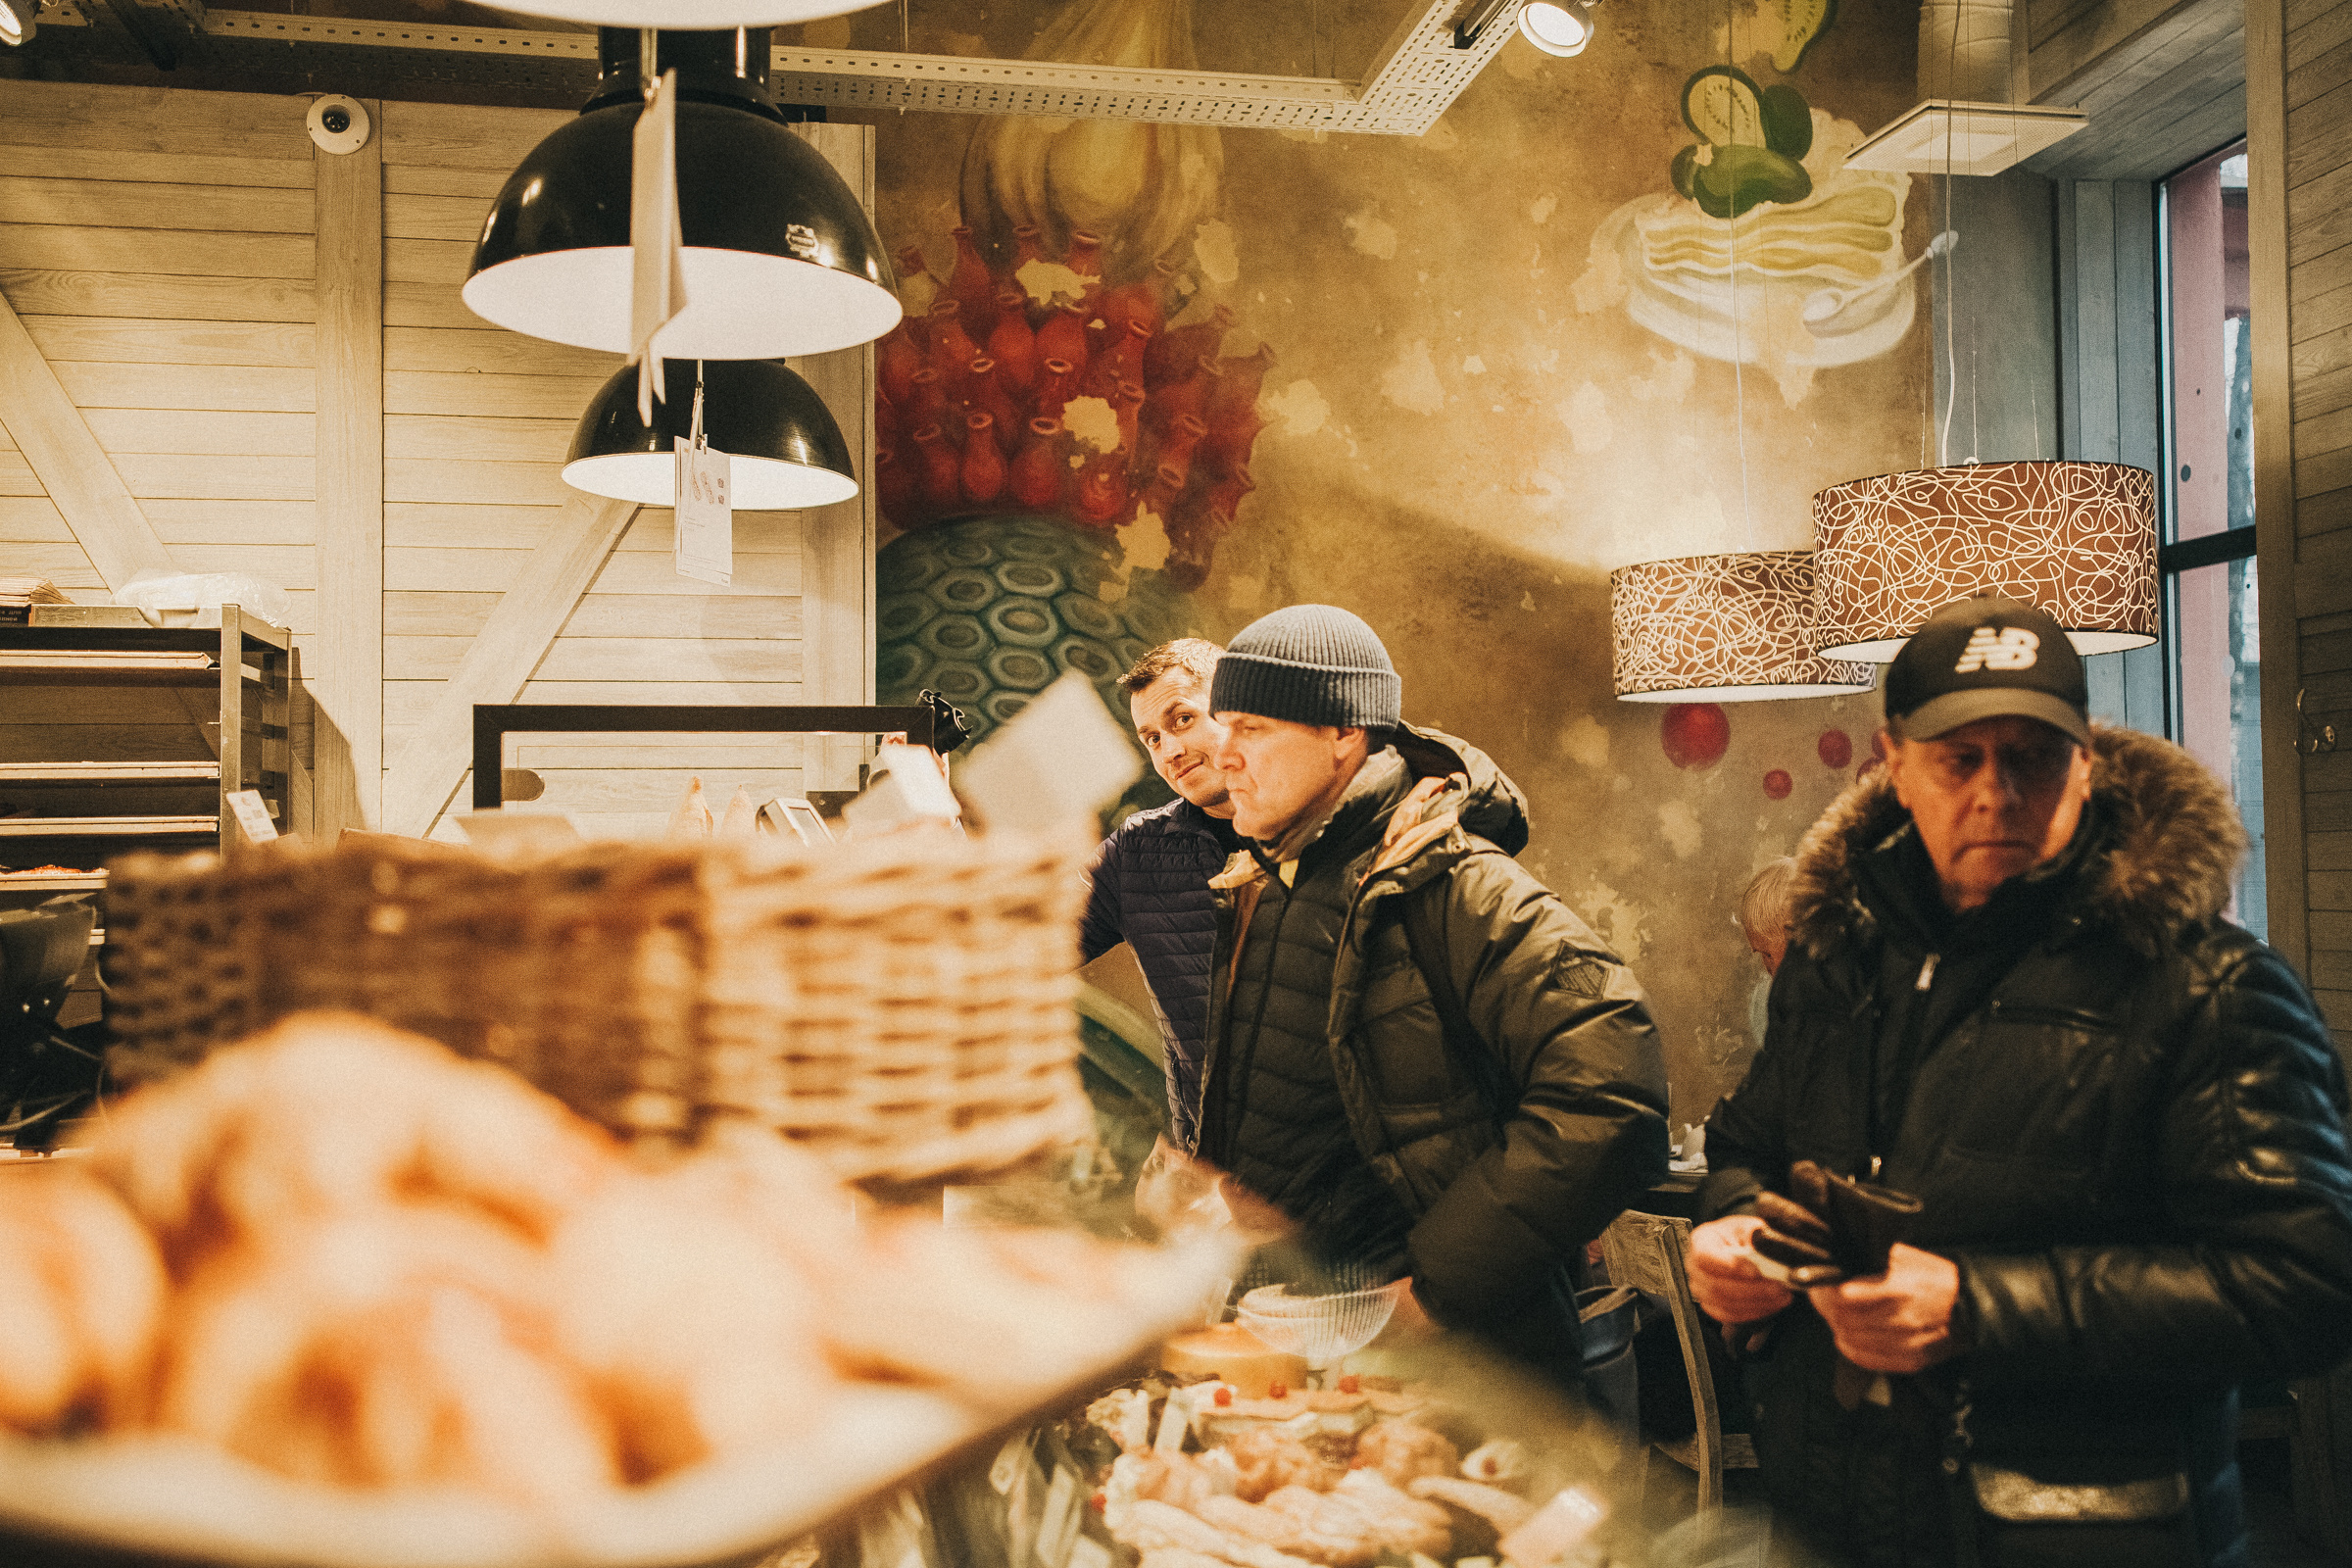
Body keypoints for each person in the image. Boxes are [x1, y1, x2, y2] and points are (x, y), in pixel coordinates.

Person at [1686, 595, 2352, 1568]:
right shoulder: (1837, 957)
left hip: (2083, 1531)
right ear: (1896, 762)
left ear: (2085, 763)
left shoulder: (2206, 983)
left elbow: (2310, 1283)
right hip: (1836, 1513)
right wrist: (1734, 1227)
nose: (1996, 792)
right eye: (1961, 758)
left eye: (2034, 756)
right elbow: (1747, 1147)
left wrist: (1978, 1306)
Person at [1193, 604, 1671, 1387]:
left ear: (1344, 733)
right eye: (1224, 727)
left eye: (1251, 728)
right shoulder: (1263, 883)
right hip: (1309, 1344)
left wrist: (1436, 1293)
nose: (1225, 757)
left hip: (1457, 1363)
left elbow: (1613, 1095)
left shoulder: (1457, 882)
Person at [1079, 639, 1242, 1152]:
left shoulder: (1317, 828)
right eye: (1151, 738)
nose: (1169, 750)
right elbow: (1028, 943)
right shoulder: (1139, 851)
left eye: (1183, 720)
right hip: (1211, 1165)